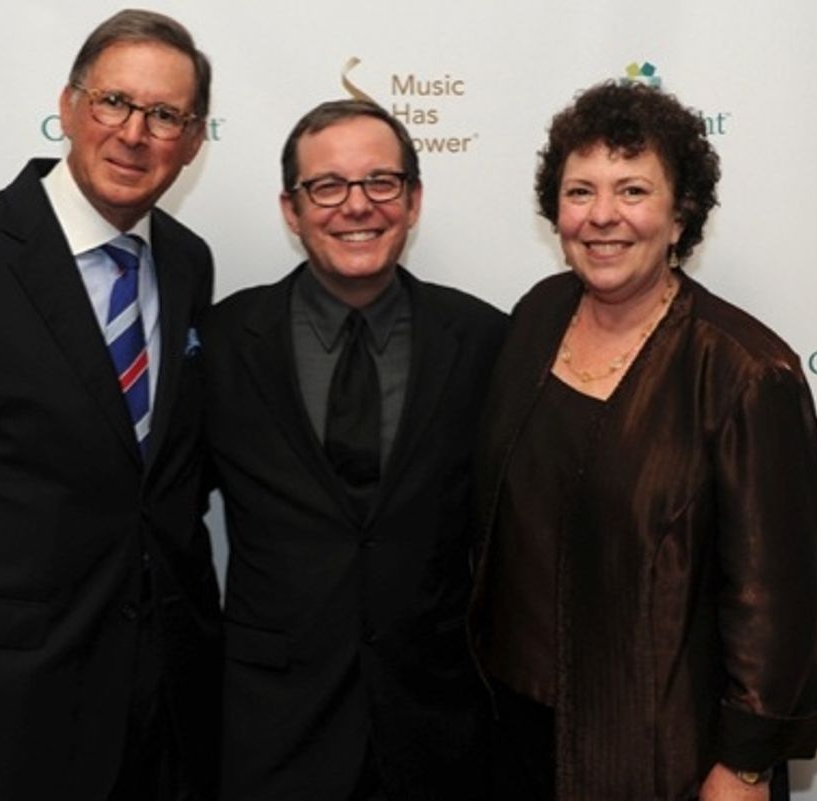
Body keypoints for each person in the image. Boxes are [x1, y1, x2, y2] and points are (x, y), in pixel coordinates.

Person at [0, 10, 220, 800]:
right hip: (5, 715)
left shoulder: (189, 264)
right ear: (68, 105)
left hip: (165, 708)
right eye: (113, 102)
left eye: (165, 116)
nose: (134, 133)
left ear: (192, 143)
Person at [468, 81, 817, 801]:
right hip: (515, 728)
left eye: (633, 189)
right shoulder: (538, 314)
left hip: (662, 749)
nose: (602, 216)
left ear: (680, 216)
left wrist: (741, 769)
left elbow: (779, 605)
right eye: (580, 191)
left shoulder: (745, 373)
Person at [202, 99, 507, 801]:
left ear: (414, 199)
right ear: (292, 208)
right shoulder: (222, 342)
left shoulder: (486, 341)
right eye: (328, 186)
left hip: (441, 733)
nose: (357, 206)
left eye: (381, 182)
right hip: (273, 732)